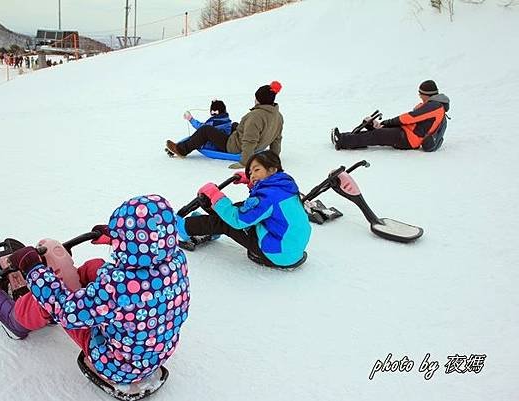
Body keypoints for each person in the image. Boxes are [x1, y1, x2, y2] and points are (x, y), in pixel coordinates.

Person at [0, 194, 190, 387]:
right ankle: (70, 291)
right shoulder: (175, 262)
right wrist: (114, 236)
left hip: (117, 364)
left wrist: (33, 269)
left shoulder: (118, 289)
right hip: (155, 349)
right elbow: (144, 259)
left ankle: (16, 320)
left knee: (58, 298)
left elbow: (67, 311)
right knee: (95, 266)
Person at [176, 150, 311, 267]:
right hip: (292, 249)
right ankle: (205, 226)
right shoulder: (285, 186)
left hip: (276, 254)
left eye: (256, 170)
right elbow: (266, 203)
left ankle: (185, 227)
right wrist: (251, 181)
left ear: (272, 170)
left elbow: (237, 220)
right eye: (251, 173)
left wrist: (215, 196)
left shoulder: (267, 197)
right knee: (242, 207)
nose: (252, 175)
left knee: (228, 222)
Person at [166, 81, 284, 169]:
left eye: (256, 98)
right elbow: (277, 139)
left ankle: (181, 150)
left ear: (258, 100)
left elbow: (250, 141)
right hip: (257, 145)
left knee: (206, 130)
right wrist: (274, 157)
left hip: (233, 146)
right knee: (234, 125)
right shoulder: (278, 116)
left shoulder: (255, 117)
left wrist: (244, 162)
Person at [332, 80, 450, 151]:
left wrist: (387, 122)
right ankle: (348, 136)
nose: (419, 96)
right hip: (406, 132)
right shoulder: (433, 105)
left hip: (410, 139)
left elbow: (409, 118)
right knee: (379, 132)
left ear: (426, 94)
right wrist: (386, 125)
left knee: (377, 135)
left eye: (420, 94)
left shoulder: (434, 107)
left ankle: (341, 141)